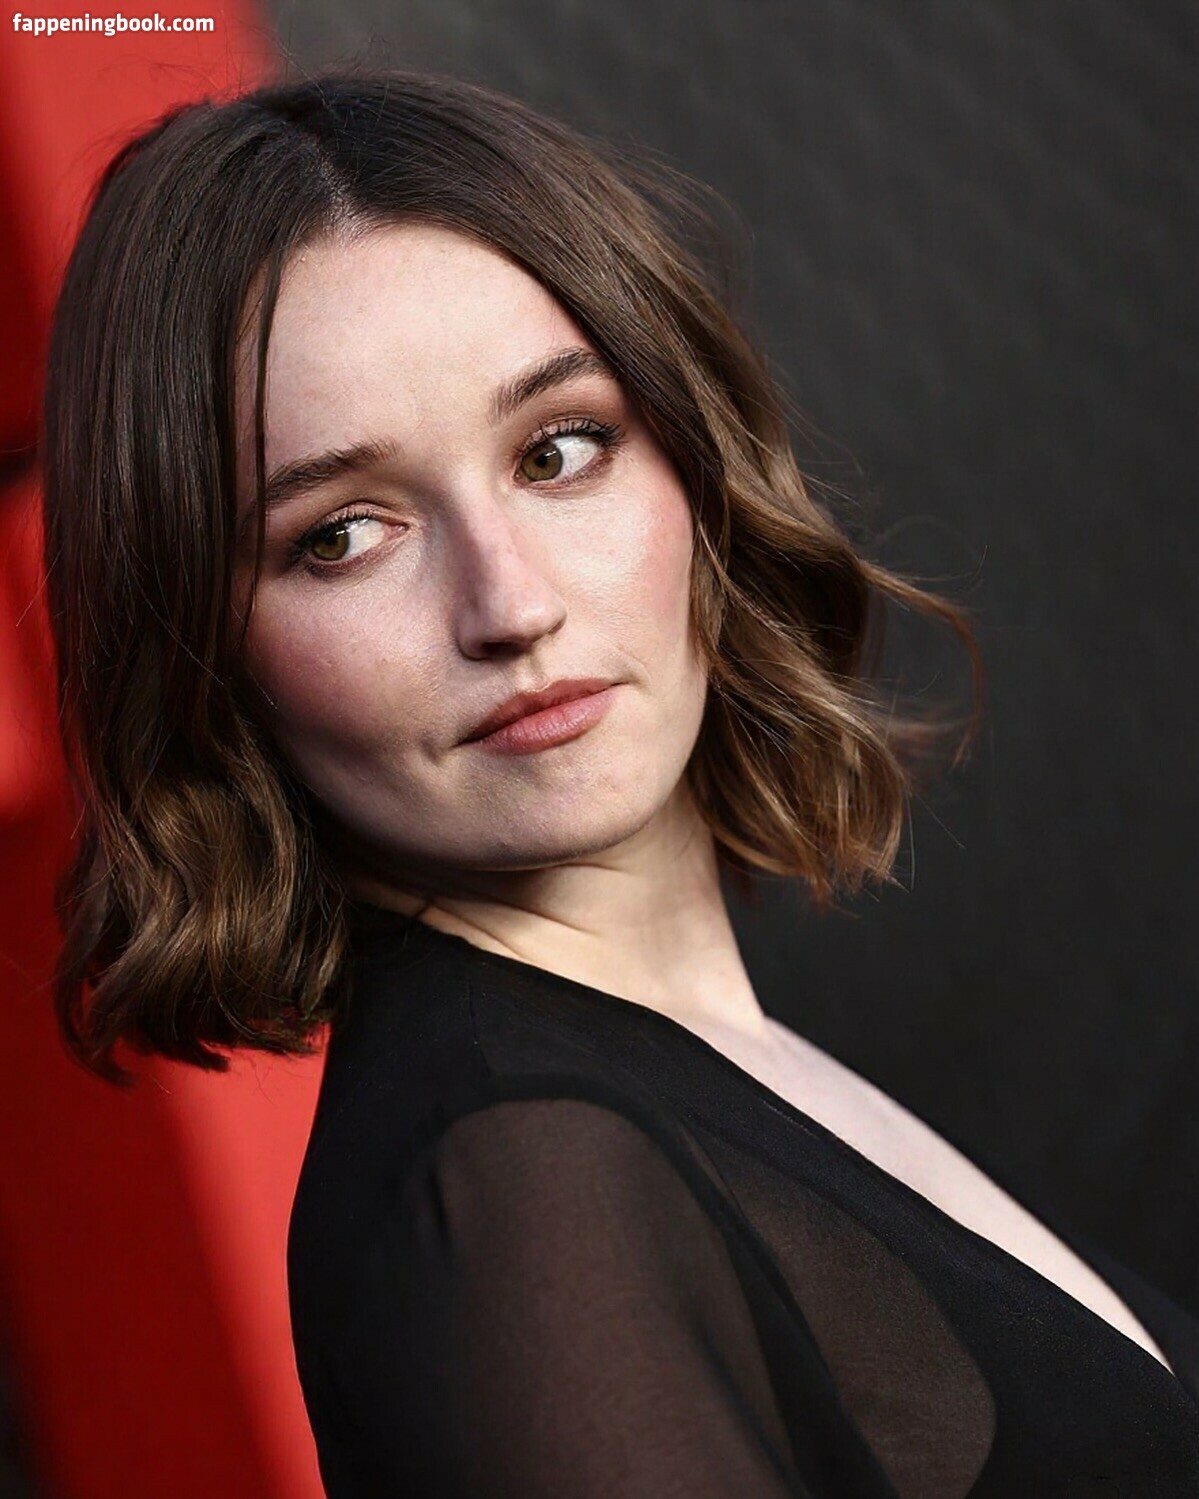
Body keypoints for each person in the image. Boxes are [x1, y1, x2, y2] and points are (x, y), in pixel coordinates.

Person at [40, 67, 1198, 1497]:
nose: (511, 604)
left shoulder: (686, 1075)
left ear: (695, 466)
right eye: (340, 534)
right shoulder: (513, 1177)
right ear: (208, 653)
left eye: (559, 450)